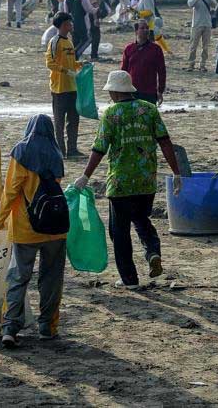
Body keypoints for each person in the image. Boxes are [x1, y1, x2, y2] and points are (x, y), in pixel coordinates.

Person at [73, 70, 183, 289]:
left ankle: (129, 279)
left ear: (114, 92)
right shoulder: (149, 109)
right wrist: (176, 172)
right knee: (142, 220)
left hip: (120, 183)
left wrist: (86, 175)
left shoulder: (111, 114)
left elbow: (99, 148)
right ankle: (152, 252)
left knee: (119, 231)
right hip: (146, 180)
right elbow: (165, 142)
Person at [0, 114, 68, 347]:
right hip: (55, 228)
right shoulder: (56, 153)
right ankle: (47, 327)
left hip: (25, 228)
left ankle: (10, 328)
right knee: (51, 279)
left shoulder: (21, 152)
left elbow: (11, 191)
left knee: (18, 277)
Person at [46, 12, 82, 157]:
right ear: (63, 24)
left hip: (72, 87)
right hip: (59, 88)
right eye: (69, 22)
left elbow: (71, 63)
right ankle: (60, 151)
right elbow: (50, 63)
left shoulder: (69, 42)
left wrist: (80, 64)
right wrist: (65, 71)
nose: (71, 25)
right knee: (59, 122)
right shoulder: (55, 41)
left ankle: (72, 149)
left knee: (73, 120)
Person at [120, 19, 166, 105]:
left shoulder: (156, 49)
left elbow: (162, 71)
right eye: (142, 28)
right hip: (131, 92)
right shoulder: (129, 48)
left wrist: (160, 91)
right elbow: (123, 71)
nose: (146, 30)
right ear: (136, 31)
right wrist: (121, 90)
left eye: (147, 28)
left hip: (149, 92)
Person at [186, 0, 217, 71]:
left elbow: (214, 5)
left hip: (207, 24)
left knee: (205, 47)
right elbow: (190, 4)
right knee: (193, 46)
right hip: (196, 24)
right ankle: (191, 64)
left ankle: (202, 64)